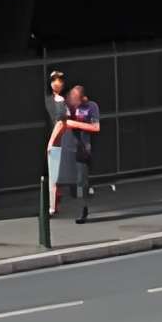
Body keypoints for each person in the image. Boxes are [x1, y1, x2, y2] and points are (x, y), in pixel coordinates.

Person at [62, 81, 102, 222]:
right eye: (71, 97)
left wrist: (77, 124)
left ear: (82, 98)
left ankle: (82, 210)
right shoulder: (68, 107)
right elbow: (65, 123)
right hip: (68, 147)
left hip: (83, 148)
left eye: (75, 98)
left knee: (81, 181)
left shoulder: (91, 106)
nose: (72, 100)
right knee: (70, 183)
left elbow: (96, 127)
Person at [44, 71, 75, 220]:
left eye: (59, 81)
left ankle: (53, 204)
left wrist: (51, 141)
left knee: (57, 175)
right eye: (54, 80)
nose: (57, 83)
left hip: (62, 141)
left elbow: (62, 123)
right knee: (54, 176)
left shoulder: (64, 101)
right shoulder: (49, 100)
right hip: (56, 142)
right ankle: (53, 204)